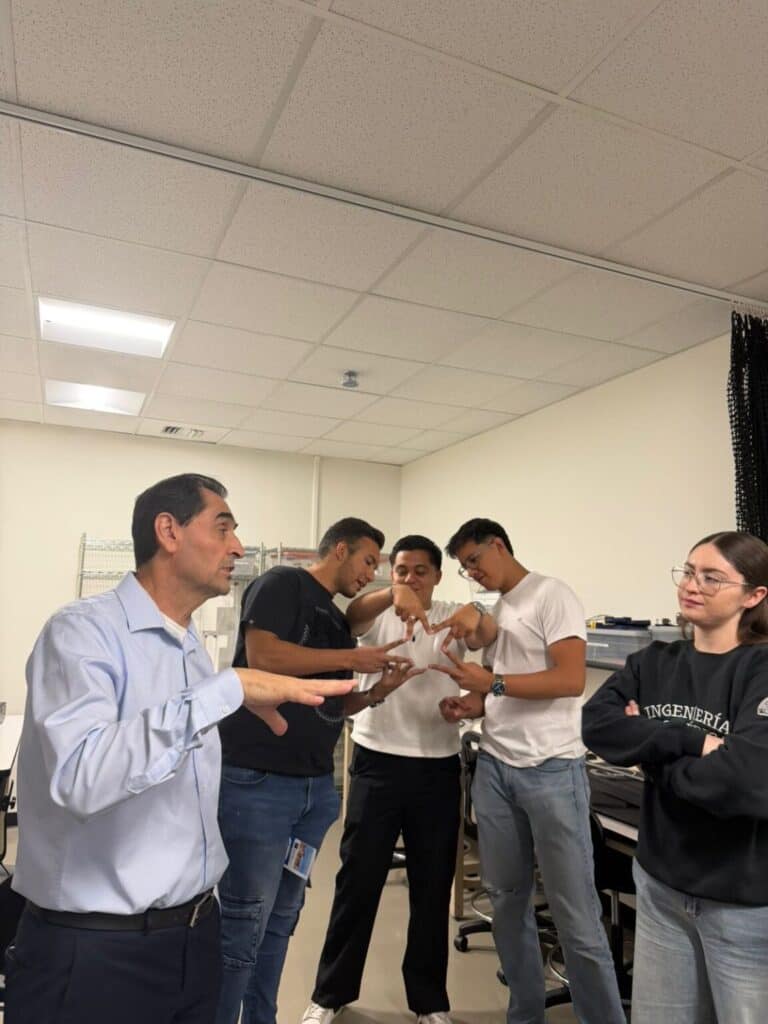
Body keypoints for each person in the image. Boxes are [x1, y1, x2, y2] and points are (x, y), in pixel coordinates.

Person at [4, 473, 355, 1024]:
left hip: (192, 939)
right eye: (223, 528)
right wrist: (224, 689)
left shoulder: (189, 644)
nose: (238, 547)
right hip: (95, 953)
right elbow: (79, 777)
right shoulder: (81, 633)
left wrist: (222, 698)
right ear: (168, 531)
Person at [216, 518, 421, 1024]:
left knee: (283, 916)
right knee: (245, 918)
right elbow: (263, 656)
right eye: (369, 561)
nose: (369, 573)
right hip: (260, 783)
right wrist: (355, 654)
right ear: (341, 549)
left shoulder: (332, 619)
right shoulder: (283, 584)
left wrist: (373, 693)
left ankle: (260, 1016)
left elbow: (330, 703)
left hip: (312, 794)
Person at [432, 518, 625, 1024]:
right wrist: (470, 704)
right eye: (464, 567)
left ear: (498, 545)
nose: (471, 573)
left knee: (575, 913)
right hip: (496, 768)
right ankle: (525, 1013)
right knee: (507, 901)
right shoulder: (499, 609)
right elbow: (504, 690)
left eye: (475, 559)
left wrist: (490, 684)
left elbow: (568, 680)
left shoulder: (551, 595)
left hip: (551, 772)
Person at [301, 534, 489, 1024]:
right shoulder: (381, 612)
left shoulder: (450, 612)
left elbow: (483, 634)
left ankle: (429, 1002)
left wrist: (478, 617)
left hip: (438, 766)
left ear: (437, 576)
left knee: (431, 888)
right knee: (357, 884)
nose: (409, 579)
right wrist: (393, 594)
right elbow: (353, 615)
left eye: (419, 571)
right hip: (377, 762)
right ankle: (330, 994)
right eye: (400, 570)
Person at [582, 531, 768, 1024]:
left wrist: (649, 752)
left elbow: (747, 783)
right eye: (688, 571)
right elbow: (597, 725)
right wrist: (687, 742)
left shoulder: (761, 670)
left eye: (712, 577)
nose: (692, 585)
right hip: (661, 884)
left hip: (742, 901)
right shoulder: (654, 661)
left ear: (754, 596)